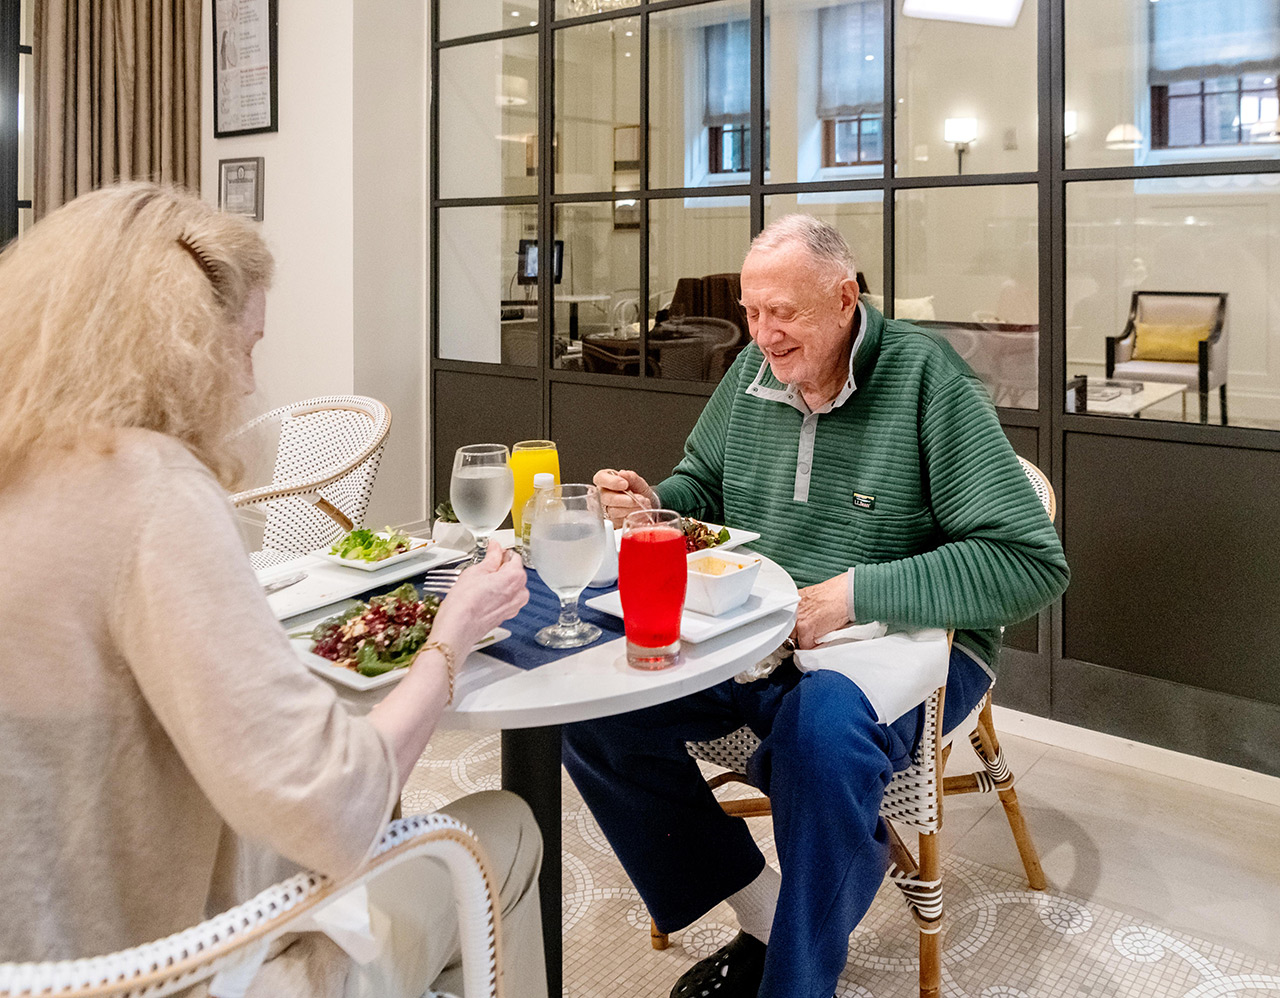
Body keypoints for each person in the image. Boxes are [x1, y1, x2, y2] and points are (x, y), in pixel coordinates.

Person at [0, 183, 545, 998]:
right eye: (247, 346)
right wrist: (451, 636)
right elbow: (334, 808)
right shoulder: (147, 488)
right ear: (184, 345)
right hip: (178, 969)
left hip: (38, 952)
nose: (251, 381)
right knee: (508, 829)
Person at [564, 214, 1069, 998]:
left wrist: (855, 593)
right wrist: (654, 504)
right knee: (596, 710)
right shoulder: (751, 373)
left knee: (818, 743)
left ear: (844, 297)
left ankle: (796, 980)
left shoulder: (928, 381)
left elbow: (1029, 564)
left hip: (909, 645)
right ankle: (765, 915)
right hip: (760, 633)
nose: (762, 335)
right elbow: (703, 483)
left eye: (784, 313)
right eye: (751, 311)